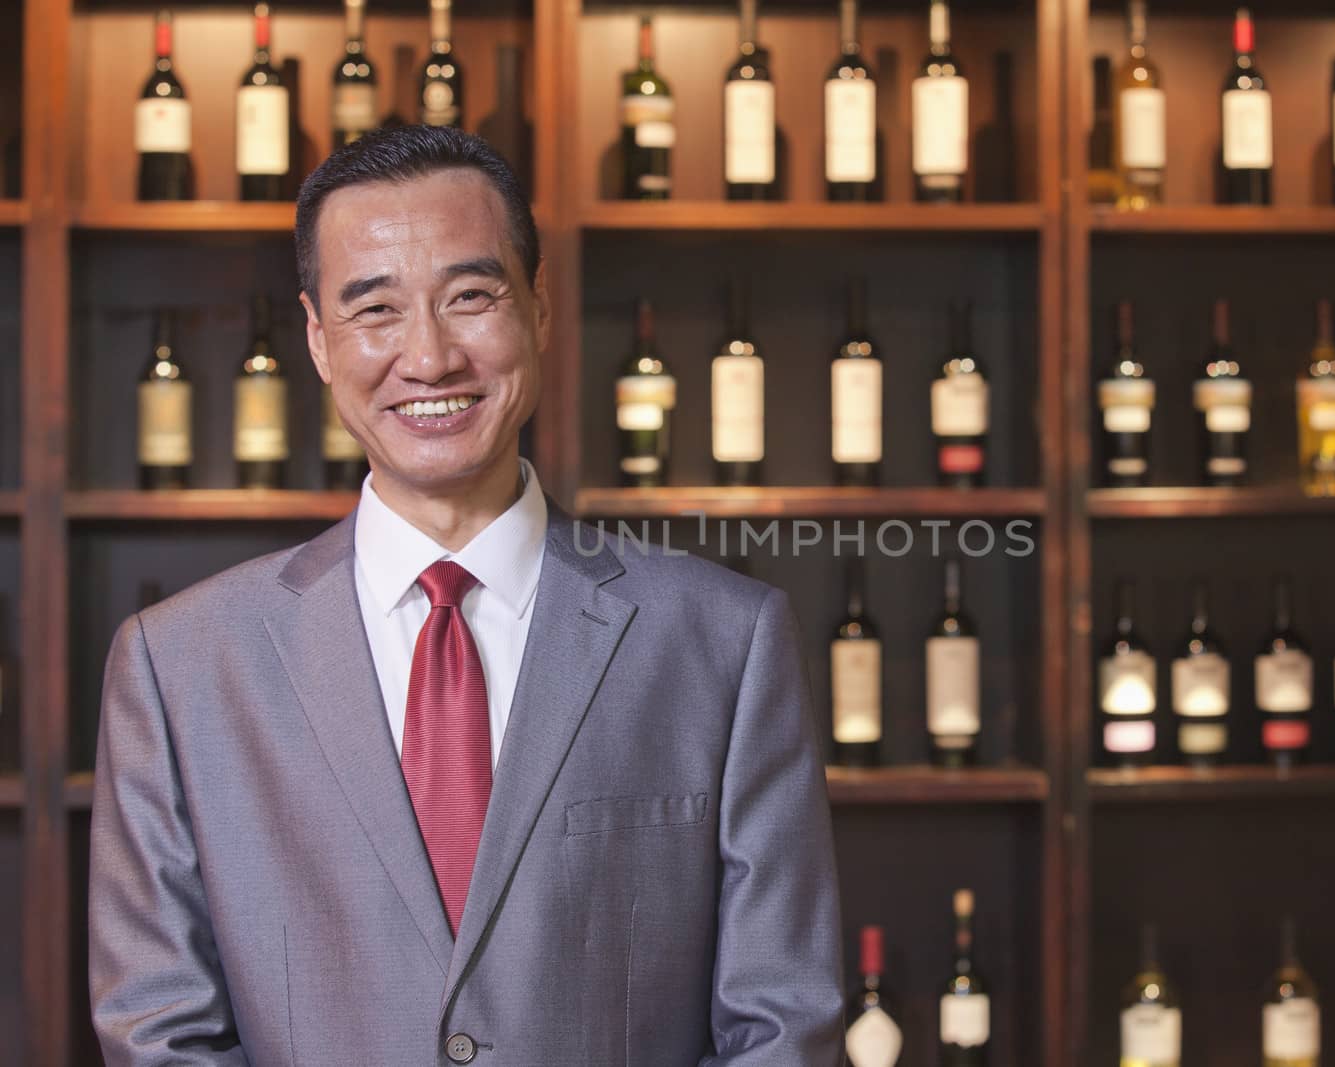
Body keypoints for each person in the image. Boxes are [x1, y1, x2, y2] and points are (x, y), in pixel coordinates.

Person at [88, 125, 844, 1066]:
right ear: (319, 341)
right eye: (374, 311)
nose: (430, 357)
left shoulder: (725, 641)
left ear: (537, 307)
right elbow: (160, 1034)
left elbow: (783, 1026)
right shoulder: (180, 664)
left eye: (470, 297)